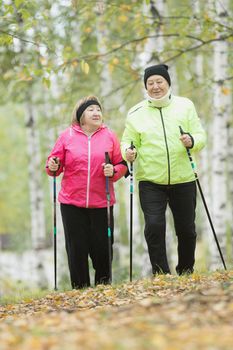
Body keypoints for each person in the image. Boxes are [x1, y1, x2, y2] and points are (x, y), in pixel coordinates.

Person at [121, 64, 206, 275]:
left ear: (168, 82)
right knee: (154, 227)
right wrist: (128, 153)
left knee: (187, 229)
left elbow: (201, 136)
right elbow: (127, 142)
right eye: (150, 83)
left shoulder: (185, 106)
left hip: (183, 177)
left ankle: (186, 270)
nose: (155, 86)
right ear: (145, 87)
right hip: (151, 181)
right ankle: (161, 274)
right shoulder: (136, 113)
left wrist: (192, 140)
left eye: (159, 81)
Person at [46, 95, 128, 289]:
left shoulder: (109, 136)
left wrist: (114, 171)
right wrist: (52, 164)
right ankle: (80, 290)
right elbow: (53, 166)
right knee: (76, 249)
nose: (96, 113)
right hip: (72, 203)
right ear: (81, 116)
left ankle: (103, 288)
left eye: (98, 110)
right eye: (91, 110)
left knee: (103, 249)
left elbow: (122, 164)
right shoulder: (67, 136)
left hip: (102, 202)